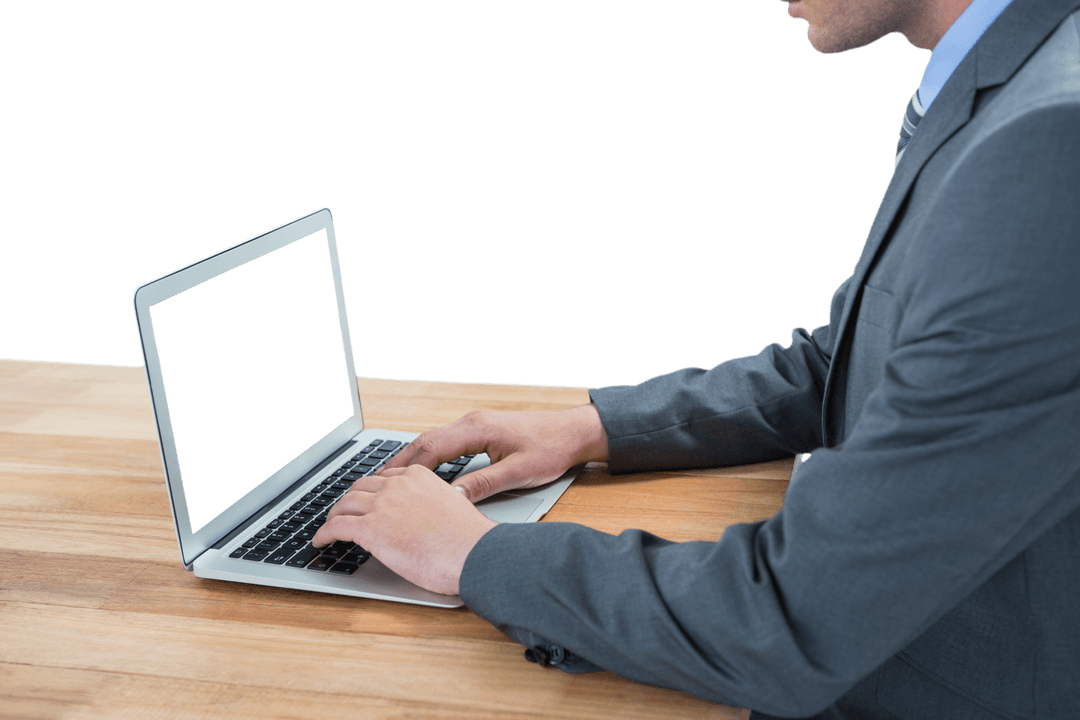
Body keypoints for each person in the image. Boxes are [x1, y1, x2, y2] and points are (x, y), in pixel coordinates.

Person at [313, 0, 1080, 716]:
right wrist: (593, 428)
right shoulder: (1010, 78)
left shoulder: (1046, 145)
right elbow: (840, 361)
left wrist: (475, 554)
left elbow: (794, 617)